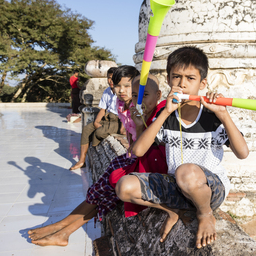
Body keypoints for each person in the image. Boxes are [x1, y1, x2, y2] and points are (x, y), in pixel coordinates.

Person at [115, 46, 249, 249]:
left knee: (186, 170)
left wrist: (223, 114)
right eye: (176, 77)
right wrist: (165, 112)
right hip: (177, 186)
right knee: (124, 187)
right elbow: (139, 150)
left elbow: (243, 153)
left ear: (203, 83)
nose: (182, 84)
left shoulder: (212, 117)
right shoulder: (167, 116)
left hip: (209, 189)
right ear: (169, 80)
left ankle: (205, 214)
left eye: (190, 78)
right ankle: (173, 210)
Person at [28, 73, 167, 246]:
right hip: (140, 159)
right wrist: (138, 122)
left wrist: (139, 124)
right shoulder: (137, 109)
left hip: (152, 166)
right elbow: (135, 144)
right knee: (102, 187)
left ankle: (63, 230)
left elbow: (142, 149)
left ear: (159, 95)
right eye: (136, 96)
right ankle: (62, 227)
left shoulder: (163, 111)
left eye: (144, 95)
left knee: (108, 186)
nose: (139, 101)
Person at [70, 66, 131, 170]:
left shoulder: (122, 92)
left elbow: (126, 109)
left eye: (113, 78)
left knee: (99, 133)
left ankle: (94, 149)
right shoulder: (107, 91)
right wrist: (96, 122)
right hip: (108, 118)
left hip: (118, 120)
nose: (110, 80)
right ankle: (82, 160)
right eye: (108, 77)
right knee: (87, 129)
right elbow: (102, 109)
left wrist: (123, 127)